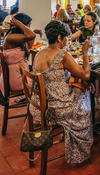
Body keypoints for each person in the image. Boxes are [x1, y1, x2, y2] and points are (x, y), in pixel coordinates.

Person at [31, 20, 93, 163]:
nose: (67, 40)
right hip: (58, 107)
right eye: (67, 37)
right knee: (86, 95)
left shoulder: (39, 53)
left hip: (40, 104)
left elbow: (53, 79)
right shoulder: (62, 55)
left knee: (81, 85)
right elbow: (86, 75)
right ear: (59, 38)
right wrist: (84, 53)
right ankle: (79, 146)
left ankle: (69, 135)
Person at [0, 13, 35, 92]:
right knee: (45, 78)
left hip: (20, 73)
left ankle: (32, 99)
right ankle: (36, 102)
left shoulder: (19, 37)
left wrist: (30, 31)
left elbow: (30, 46)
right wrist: (20, 24)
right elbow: (32, 36)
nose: (29, 28)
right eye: (29, 25)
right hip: (17, 78)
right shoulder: (11, 37)